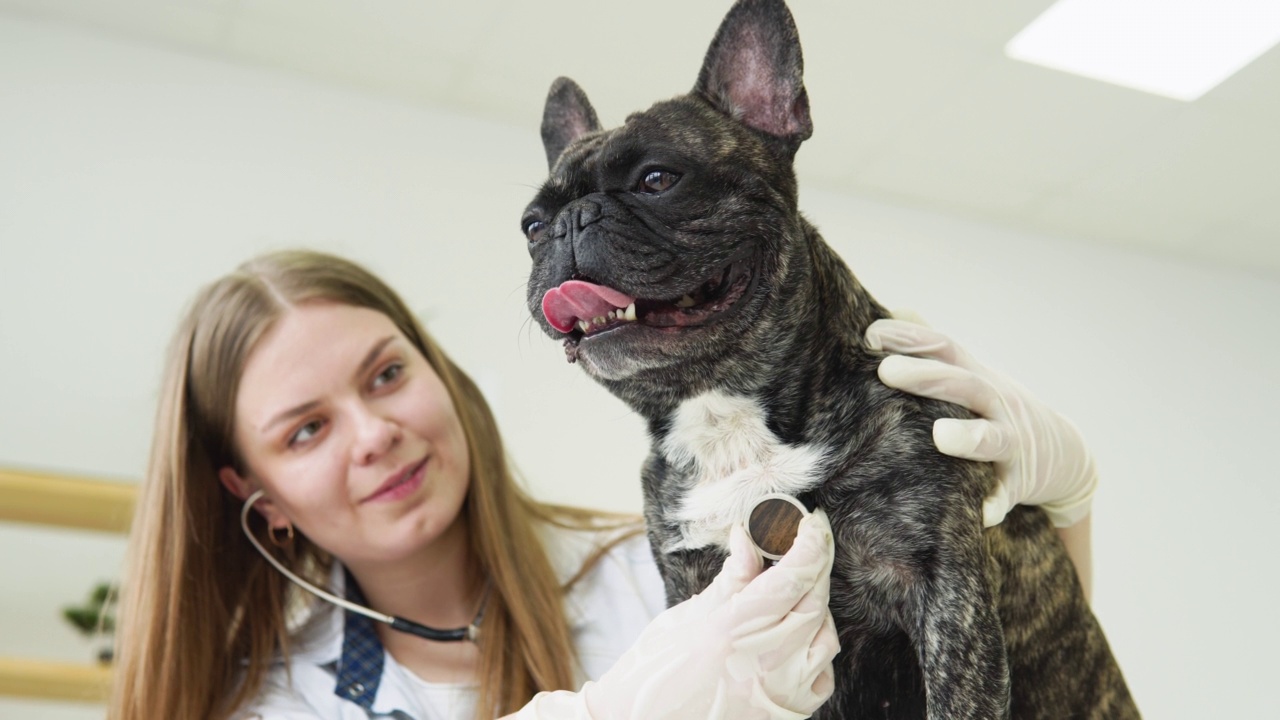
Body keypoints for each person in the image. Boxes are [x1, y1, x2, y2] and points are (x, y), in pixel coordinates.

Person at [107, 249, 1098, 720]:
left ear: (437, 370)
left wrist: (1052, 509)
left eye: (386, 374)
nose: (375, 434)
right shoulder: (276, 707)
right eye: (308, 429)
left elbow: (997, 681)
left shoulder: (673, 578)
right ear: (259, 495)